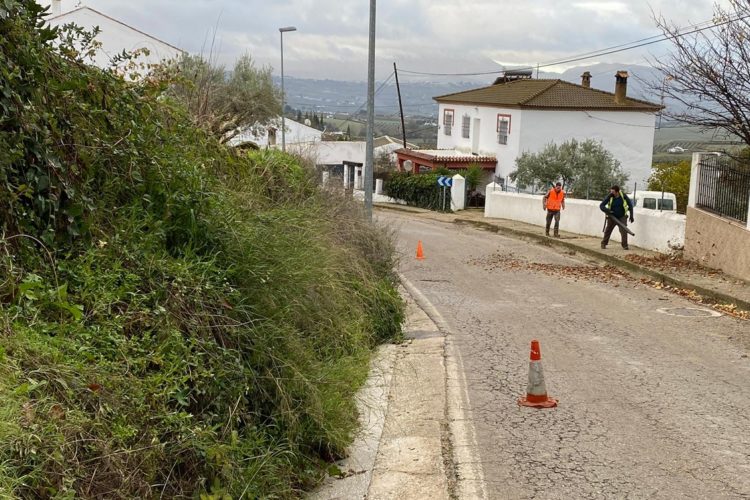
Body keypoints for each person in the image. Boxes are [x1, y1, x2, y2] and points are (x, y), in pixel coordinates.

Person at [599, 185, 634, 250]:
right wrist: (608, 211)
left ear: (617, 192)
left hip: (622, 216)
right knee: (608, 230)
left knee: (624, 230)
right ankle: (603, 243)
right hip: (612, 217)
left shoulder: (623, 196)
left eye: (613, 192)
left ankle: (625, 245)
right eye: (611, 191)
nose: (611, 193)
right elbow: (601, 206)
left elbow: (630, 205)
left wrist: (631, 216)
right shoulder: (610, 196)